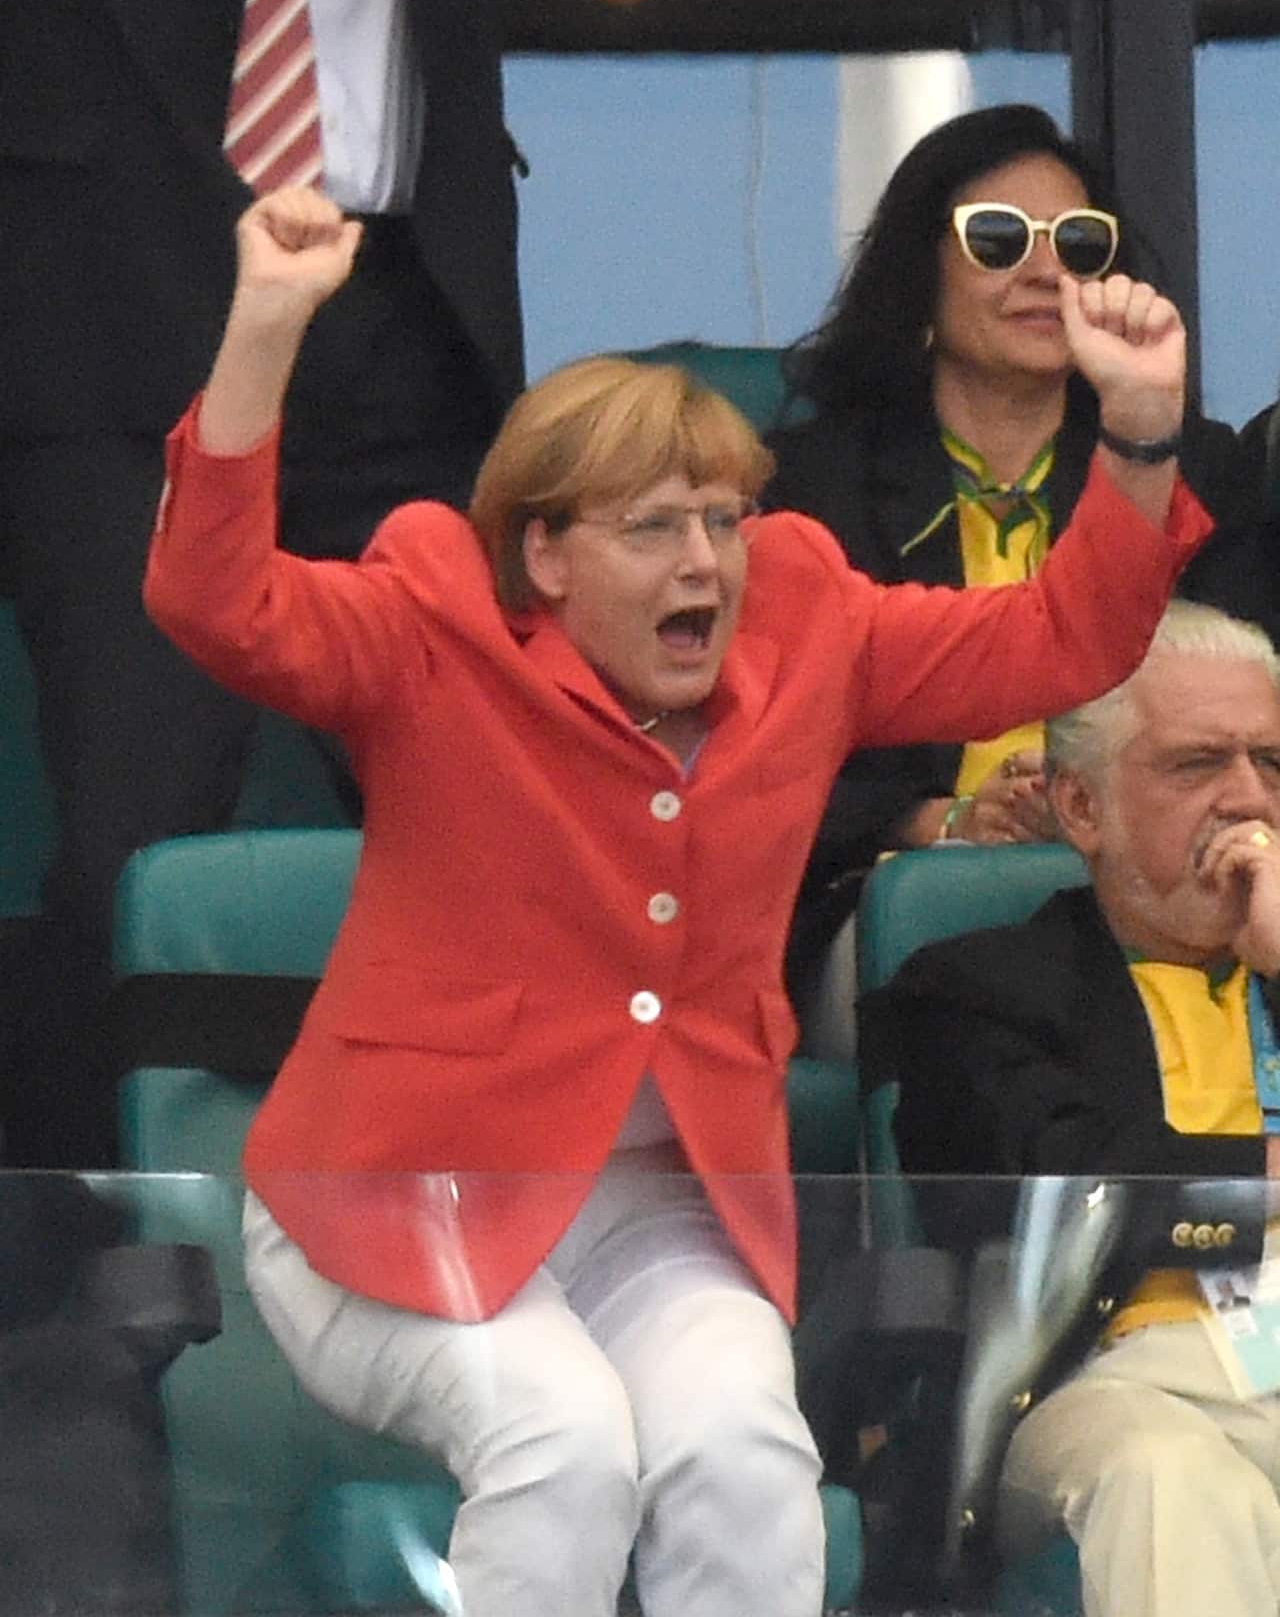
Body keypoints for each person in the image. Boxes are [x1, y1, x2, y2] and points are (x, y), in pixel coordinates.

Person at [143, 182, 1205, 1617]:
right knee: (565, 1444)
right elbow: (213, 599)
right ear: (544, 554)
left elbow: (1064, 634)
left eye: (725, 517)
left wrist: (1136, 433)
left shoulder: (805, 618)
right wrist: (265, 325)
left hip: (660, 1204)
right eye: (654, 528)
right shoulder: (433, 626)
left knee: (744, 1452)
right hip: (398, 1190)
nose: (707, 559)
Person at [0, 0, 523, 1166]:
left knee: (494, 808)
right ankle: (91, 1251)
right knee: (140, 829)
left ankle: (494, 1199)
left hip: (399, 322)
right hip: (121, 330)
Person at [763, 104, 1252, 986]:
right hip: (899, 900)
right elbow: (756, 760)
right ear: (922, 270)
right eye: (998, 239)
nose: (1044, 270)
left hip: (1169, 882)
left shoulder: (1189, 468)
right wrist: (939, 822)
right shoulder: (807, 489)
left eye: (1078, 243)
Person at [859, 600, 1280, 1617]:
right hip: (1098, 1374)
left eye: (1270, 763)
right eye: (1195, 766)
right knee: (1159, 1471)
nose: (1246, 801)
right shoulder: (978, 985)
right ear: (1080, 809)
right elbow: (1072, 1194)